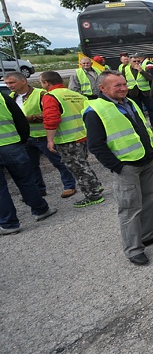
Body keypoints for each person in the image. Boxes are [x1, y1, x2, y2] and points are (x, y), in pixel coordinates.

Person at [84, 71, 153, 265]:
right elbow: (96, 145)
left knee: (148, 200)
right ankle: (133, 249)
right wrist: (117, 167)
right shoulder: (95, 110)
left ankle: (147, 235)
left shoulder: (129, 102)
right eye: (118, 86)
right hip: (127, 166)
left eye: (124, 84)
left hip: (146, 159)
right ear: (103, 88)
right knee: (130, 208)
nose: (123, 88)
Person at [4, 72, 77, 199]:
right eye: (7, 83)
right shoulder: (11, 97)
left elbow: (49, 114)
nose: (9, 86)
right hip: (26, 137)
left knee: (59, 162)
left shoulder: (41, 94)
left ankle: (69, 185)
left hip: (43, 135)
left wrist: (28, 119)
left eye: (12, 82)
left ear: (23, 81)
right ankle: (39, 189)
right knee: (31, 166)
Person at [39, 71, 105, 208]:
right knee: (83, 164)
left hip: (67, 139)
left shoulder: (50, 96)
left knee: (77, 168)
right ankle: (96, 186)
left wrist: (50, 139)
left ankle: (93, 195)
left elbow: (51, 120)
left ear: (46, 83)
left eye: (42, 82)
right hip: (82, 135)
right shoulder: (74, 94)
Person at [0, 89, 57, 235]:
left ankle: (9, 223)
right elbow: (21, 120)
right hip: (12, 145)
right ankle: (41, 210)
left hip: (11, 145)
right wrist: (22, 140)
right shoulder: (3, 97)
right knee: (26, 181)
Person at [122, 54, 153, 130]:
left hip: (145, 91)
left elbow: (151, 78)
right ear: (130, 62)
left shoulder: (144, 67)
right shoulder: (125, 69)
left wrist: (141, 71)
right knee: (138, 110)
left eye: (138, 61)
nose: (136, 63)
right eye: (134, 61)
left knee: (151, 109)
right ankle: (143, 125)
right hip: (133, 92)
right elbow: (123, 80)